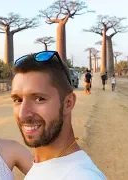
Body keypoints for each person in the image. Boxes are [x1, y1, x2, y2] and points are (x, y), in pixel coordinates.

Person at [10, 51, 107, 180]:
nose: (23, 114)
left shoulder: (81, 176)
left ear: (68, 103)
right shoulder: (42, 165)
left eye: (39, 99)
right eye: (18, 100)